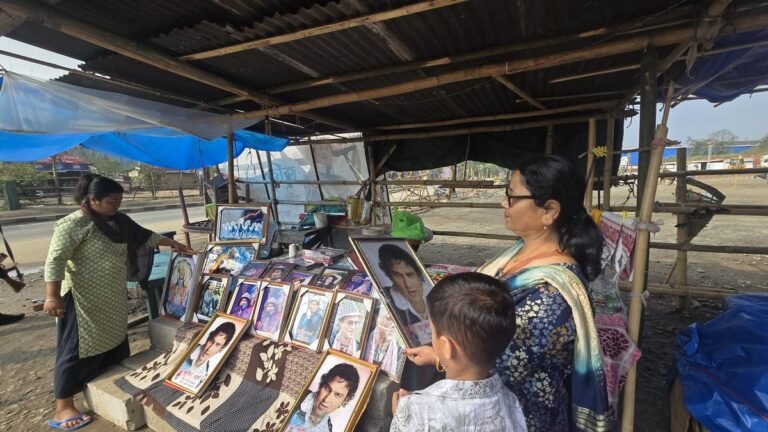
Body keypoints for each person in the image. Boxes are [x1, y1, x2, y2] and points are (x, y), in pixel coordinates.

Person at [406, 155, 609, 431]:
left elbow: (501, 364)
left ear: (548, 210)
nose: (504, 203)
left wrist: (439, 357)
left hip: (520, 415)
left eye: (511, 196)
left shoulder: (551, 295)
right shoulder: (522, 250)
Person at [44, 174, 194, 431]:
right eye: (112, 202)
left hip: (111, 295)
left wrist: (175, 245)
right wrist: (52, 296)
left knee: (113, 340)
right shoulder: (73, 224)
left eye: (119, 201)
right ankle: (64, 406)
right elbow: (55, 261)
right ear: (93, 200)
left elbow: (145, 236)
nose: (117, 206)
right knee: (76, 348)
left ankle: (105, 385)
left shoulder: (118, 222)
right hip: (82, 299)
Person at [391, 272, 527, 431]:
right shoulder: (510, 399)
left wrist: (401, 418)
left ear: (447, 346)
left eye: (432, 330)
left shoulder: (415, 409)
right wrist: (438, 359)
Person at [377, 244, 431, 345]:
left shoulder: (434, 293)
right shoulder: (387, 299)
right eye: (398, 276)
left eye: (410, 275)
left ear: (418, 274)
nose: (407, 284)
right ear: (391, 277)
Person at [286, 363, 360, 432]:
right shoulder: (295, 394)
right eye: (327, 388)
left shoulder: (327, 429)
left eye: (337, 395)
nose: (326, 399)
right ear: (321, 386)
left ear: (344, 400)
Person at [173, 321, 237, 390]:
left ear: (221, 348)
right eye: (211, 341)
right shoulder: (190, 349)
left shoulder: (206, 371)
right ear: (208, 338)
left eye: (217, 345)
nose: (209, 348)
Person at [363, 309, 402, 376]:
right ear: (378, 320)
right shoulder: (364, 340)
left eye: (396, 320)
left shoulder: (400, 353)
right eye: (388, 319)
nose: (393, 325)